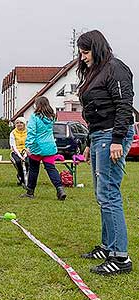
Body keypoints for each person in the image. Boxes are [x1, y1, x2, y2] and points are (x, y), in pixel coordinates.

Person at [77, 30, 134, 275]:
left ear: (97, 48)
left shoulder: (115, 69)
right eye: (80, 52)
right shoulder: (95, 72)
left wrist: (117, 139)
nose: (82, 57)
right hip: (99, 135)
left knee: (109, 194)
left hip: (112, 135)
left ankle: (120, 257)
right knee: (103, 195)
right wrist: (89, 142)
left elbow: (124, 105)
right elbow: (94, 111)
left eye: (86, 52)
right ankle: (107, 246)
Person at [21, 96, 66, 200]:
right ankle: (60, 189)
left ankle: (30, 192)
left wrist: (28, 146)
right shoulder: (52, 117)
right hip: (49, 147)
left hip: (37, 147)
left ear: (37, 105)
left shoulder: (34, 117)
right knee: (51, 168)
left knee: (33, 169)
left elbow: (31, 132)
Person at [9, 117, 29, 186]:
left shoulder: (28, 132)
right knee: (18, 162)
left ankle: (23, 179)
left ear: (24, 124)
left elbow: (29, 144)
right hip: (15, 152)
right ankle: (21, 177)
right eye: (17, 123)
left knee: (27, 162)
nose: (19, 124)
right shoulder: (13, 133)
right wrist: (20, 156)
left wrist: (25, 154)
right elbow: (13, 146)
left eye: (21, 123)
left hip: (26, 151)